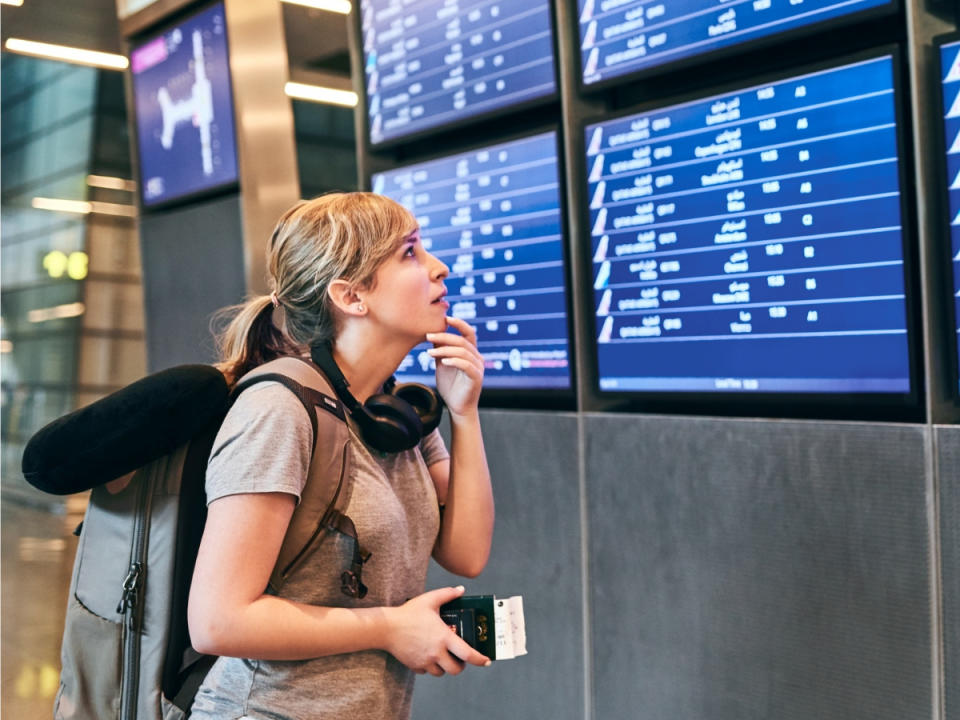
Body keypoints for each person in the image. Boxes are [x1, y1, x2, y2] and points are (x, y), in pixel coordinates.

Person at [187, 192, 495, 720]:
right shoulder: (278, 410)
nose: (438, 267)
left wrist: (464, 414)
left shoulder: (399, 414)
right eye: (410, 253)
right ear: (351, 296)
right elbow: (218, 621)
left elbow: (466, 553)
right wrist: (390, 627)